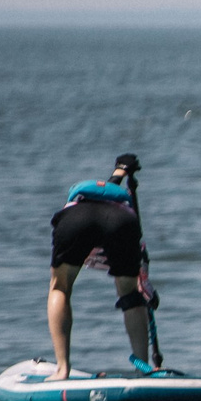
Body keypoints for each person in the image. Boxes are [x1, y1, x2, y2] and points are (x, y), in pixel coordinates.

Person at [47, 153, 155, 380]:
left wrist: (120, 171)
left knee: (60, 288)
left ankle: (62, 368)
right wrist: (123, 169)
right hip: (121, 222)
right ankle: (142, 369)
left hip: (75, 222)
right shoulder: (120, 201)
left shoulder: (77, 203)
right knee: (130, 294)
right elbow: (111, 187)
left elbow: (107, 189)